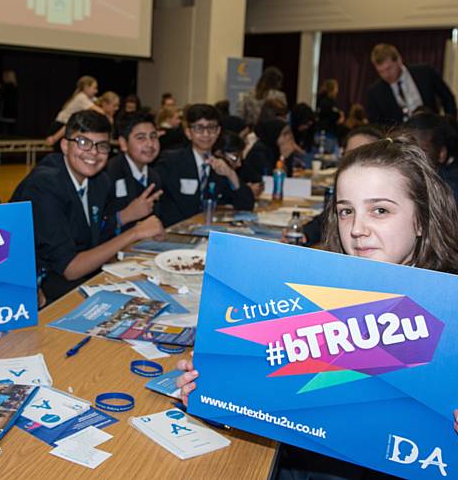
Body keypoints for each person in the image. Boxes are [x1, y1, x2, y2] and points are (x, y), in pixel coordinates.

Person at [177, 136, 458, 477]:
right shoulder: (308, 297)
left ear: (420, 220)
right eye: (346, 210)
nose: (356, 229)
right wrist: (216, 393)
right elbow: (271, 411)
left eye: (380, 210)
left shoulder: (449, 312)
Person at [11, 110, 164, 302]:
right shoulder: (44, 185)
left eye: (102, 145)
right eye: (83, 143)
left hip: (78, 272)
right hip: (37, 285)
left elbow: (99, 237)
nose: (93, 152)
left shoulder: (99, 181)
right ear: (65, 145)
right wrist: (135, 232)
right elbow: (70, 269)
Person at [156, 104, 255, 227]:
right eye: (199, 128)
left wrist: (231, 174)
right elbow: (162, 205)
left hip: (210, 232)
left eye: (211, 128)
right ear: (188, 132)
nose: (206, 134)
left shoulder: (221, 163)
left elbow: (247, 206)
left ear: (218, 131)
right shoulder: (171, 161)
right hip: (177, 232)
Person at [366, 43, 457, 125]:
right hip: (399, 140)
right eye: (381, 72)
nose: (386, 75)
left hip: (433, 131)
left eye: (389, 68)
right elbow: (376, 125)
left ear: (399, 60)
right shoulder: (374, 93)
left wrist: (448, 124)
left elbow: (447, 98)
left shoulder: (425, 73)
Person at [106, 113, 163, 229]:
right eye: (141, 138)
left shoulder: (154, 176)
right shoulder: (108, 173)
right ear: (123, 143)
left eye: (153, 136)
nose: (150, 144)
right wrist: (125, 216)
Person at [46, 76, 104, 147]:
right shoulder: (81, 97)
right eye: (94, 88)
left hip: (66, 128)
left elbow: (99, 101)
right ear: (86, 87)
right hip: (60, 127)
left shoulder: (89, 98)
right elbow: (101, 112)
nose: (96, 91)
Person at [212, 130, 263, 198]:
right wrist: (247, 191)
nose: (239, 164)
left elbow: (258, 180)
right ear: (219, 154)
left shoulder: (239, 168)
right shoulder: (210, 173)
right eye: (235, 158)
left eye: (240, 158)